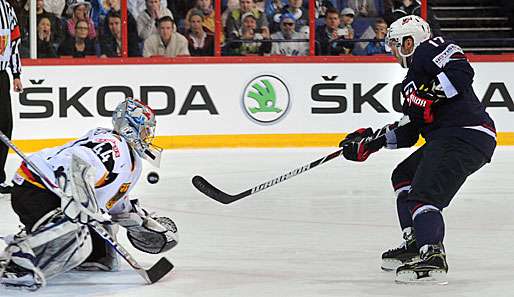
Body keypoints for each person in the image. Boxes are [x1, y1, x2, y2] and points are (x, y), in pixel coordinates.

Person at [339, 15, 496, 284]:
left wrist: (431, 93)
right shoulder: (409, 83)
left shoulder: (430, 48)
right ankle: (416, 242)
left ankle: (433, 255)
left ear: (410, 41)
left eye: (395, 44)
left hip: (465, 132)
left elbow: (461, 72)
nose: (392, 50)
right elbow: (410, 131)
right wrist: (371, 143)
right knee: (404, 176)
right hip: (447, 138)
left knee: (423, 193)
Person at [0, 98, 178, 290]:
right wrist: (78, 197)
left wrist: (136, 221)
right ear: (130, 127)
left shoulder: (132, 161)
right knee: (77, 228)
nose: (148, 136)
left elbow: (115, 199)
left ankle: (85, 256)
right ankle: (19, 261)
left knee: (101, 246)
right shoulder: (111, 145)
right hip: (37, 188)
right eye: (145, 130)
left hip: (56, 196)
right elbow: (75, 159)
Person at [0, 0, 23, 194]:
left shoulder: (7, 9)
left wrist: (16, 74)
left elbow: (14, 42)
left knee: (5, 125)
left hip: (1, 76)